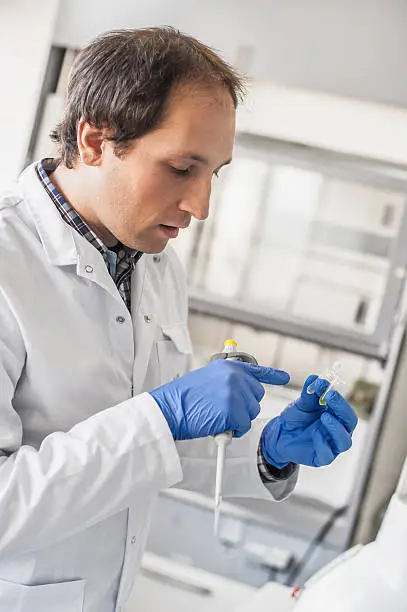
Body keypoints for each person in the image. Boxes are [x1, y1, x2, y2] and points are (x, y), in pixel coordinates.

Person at [0, 27, 357, 612]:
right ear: (94, 139)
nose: (201, 206)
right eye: (182, 167)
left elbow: (158, 452)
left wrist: (266, 451)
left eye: (213, 173)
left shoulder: (155, 267)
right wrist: (160, 416)